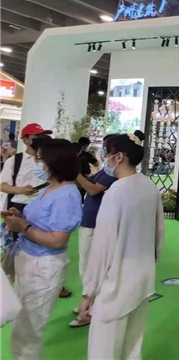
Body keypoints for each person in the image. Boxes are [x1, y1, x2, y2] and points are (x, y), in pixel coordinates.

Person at [78, 134, 164, 359]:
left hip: (115, 284)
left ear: (118, 157)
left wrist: (89, 293)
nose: (104, 157)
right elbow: (158, 233)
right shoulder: (149, 186)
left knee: (104, 349)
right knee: (132, 345)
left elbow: (102, 248)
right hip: (143, 277)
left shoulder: (116, 193)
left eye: (106, 152)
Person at [3, 139, 82, 359]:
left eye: (40, 159)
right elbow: (42, 221)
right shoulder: (48, 188)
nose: (37, 163)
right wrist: (19, 217)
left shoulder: (67, 195)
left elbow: (57, 240)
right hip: (27, 259)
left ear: (54, 162)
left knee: (28, 332)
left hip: (44, 266)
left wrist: (23, 226)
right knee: (21, 324)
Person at [69, 134, 118, 328]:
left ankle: (89, 306)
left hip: (95, 224)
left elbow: (93, 189)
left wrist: (76, 174)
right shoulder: (105, 170)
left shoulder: (112, 173)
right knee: (87, 265)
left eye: (107, 149)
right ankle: (89, 302)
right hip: (90, 221)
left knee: (91, 267)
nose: (103, 152)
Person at [1, 124, 52, 217]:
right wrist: (22, 190)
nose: (40, 139)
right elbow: (2, 186)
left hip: (45, 206)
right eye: (37, 136)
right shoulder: (14, 161)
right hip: (21, 206)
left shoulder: (51, 160)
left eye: (42, 135)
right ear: (25, 140)